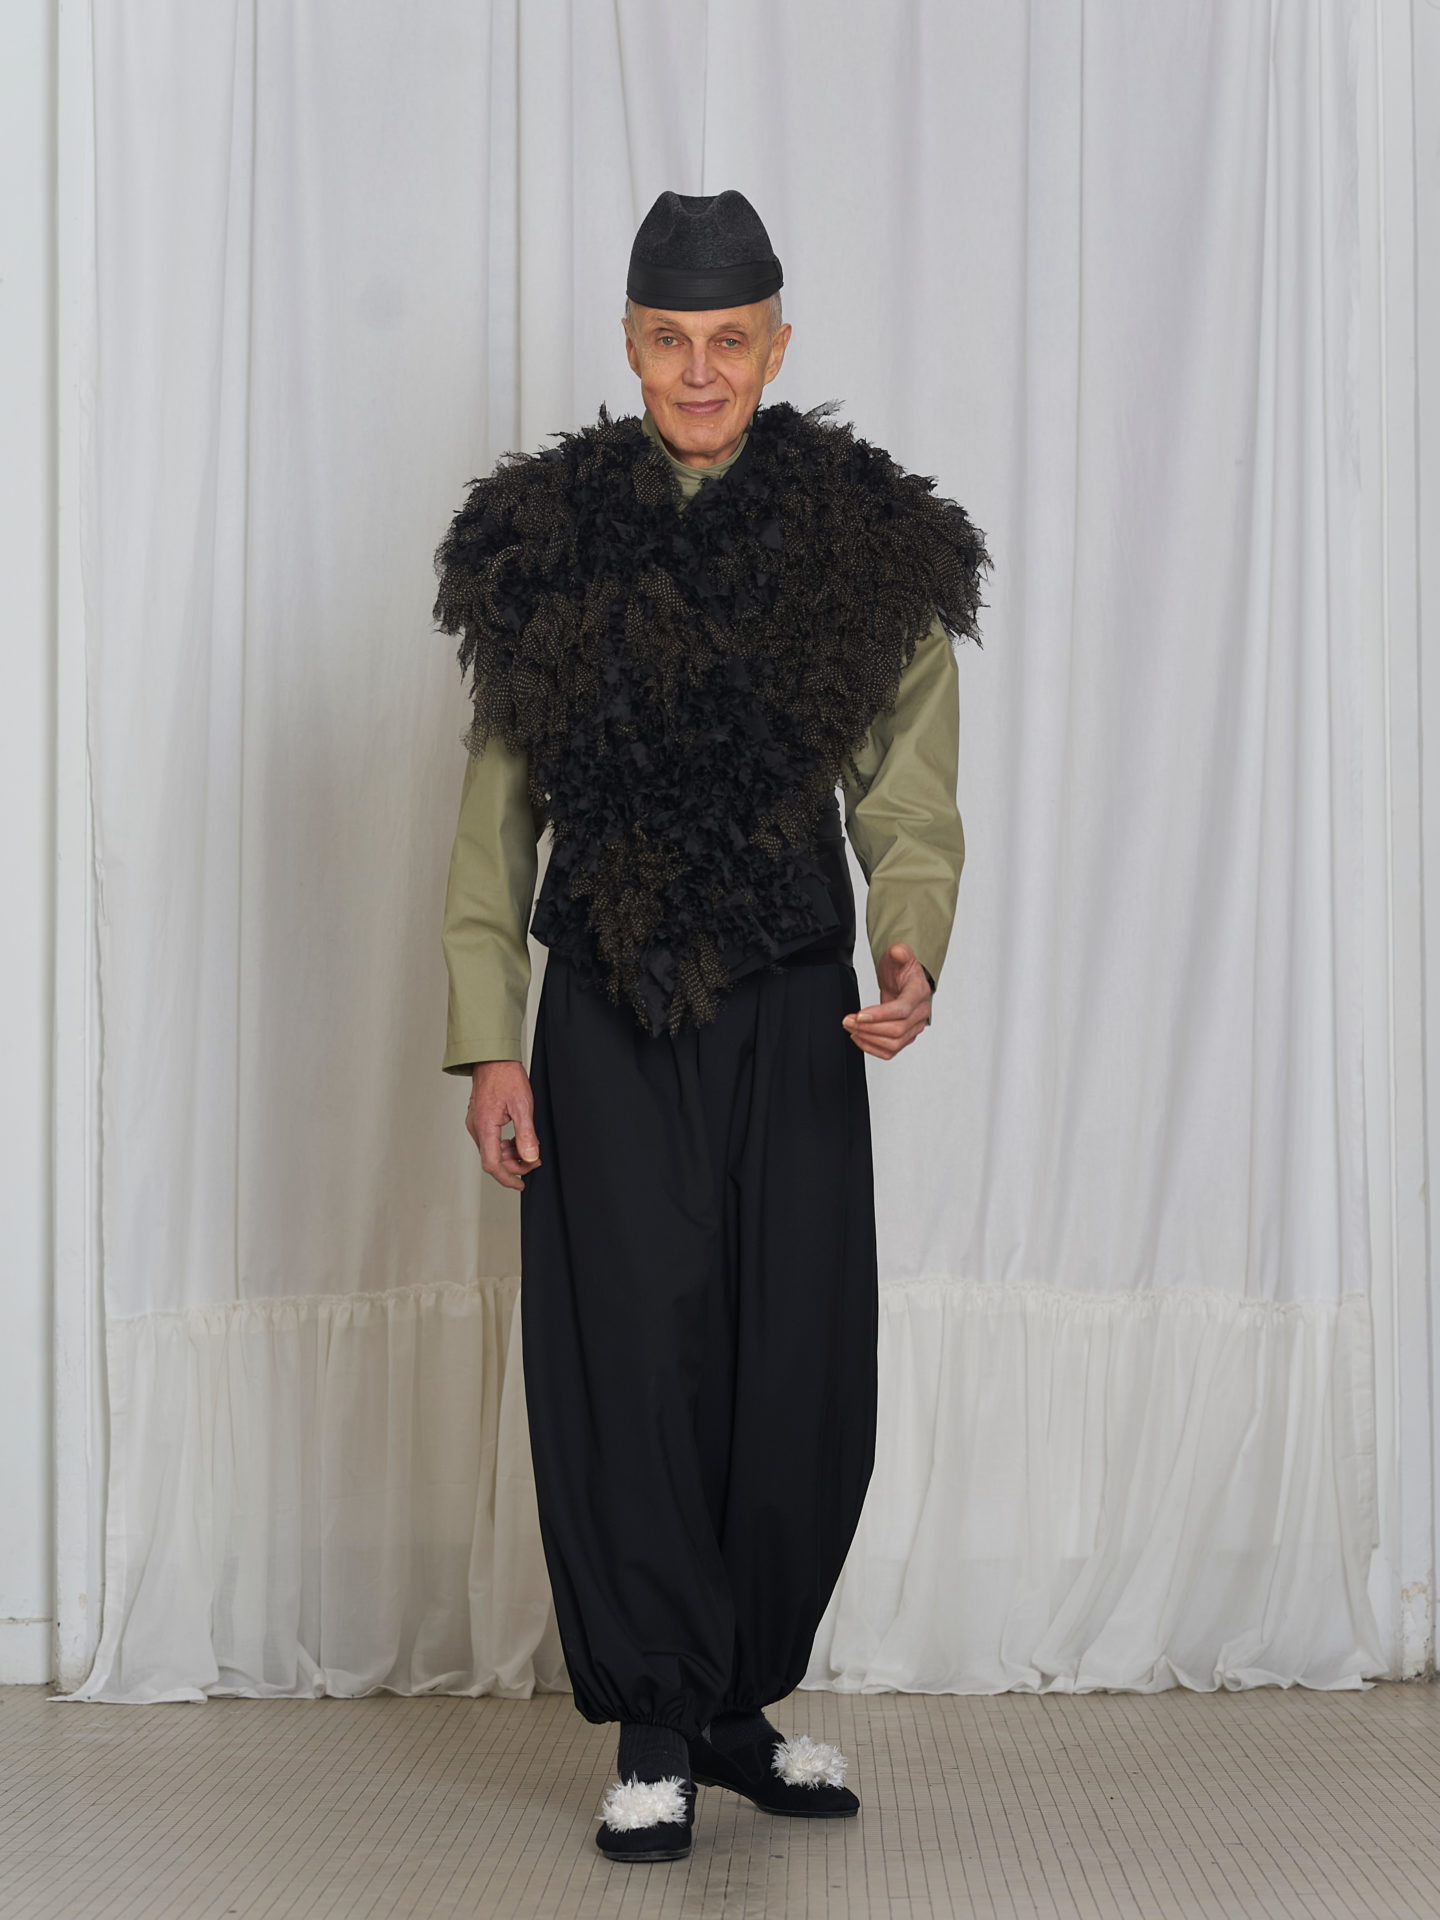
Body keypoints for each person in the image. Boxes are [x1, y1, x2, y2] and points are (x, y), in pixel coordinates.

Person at [433, 189, 988, 1865]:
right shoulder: (545, 546)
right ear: (629, 343)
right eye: (668, 340)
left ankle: (738, 1701)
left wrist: (910, 948)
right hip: (606, 1002)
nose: (697, 371)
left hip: (793, 999)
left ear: (775, 345)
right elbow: (495, 815)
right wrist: (493, 1037)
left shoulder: (866, 542)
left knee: (791, 1354)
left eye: (726, 341)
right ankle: (658, 1727)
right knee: (631, 1348)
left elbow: (910, 796)